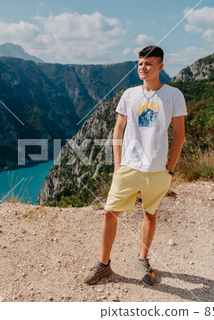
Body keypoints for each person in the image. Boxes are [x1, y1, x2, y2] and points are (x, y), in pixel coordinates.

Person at [84, 45, 187, 286]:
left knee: (150, 215)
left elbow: (179, 133)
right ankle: (104, 264)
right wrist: (118, 164)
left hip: (158, 169)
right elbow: (118, 129)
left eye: (149, 63)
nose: (143, 67)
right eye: (140, 63)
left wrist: (170, 168)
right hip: (128, 167)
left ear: (160, 66)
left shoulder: (173, 95)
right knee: (110, 213)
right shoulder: (129, 94)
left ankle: (143, 260)